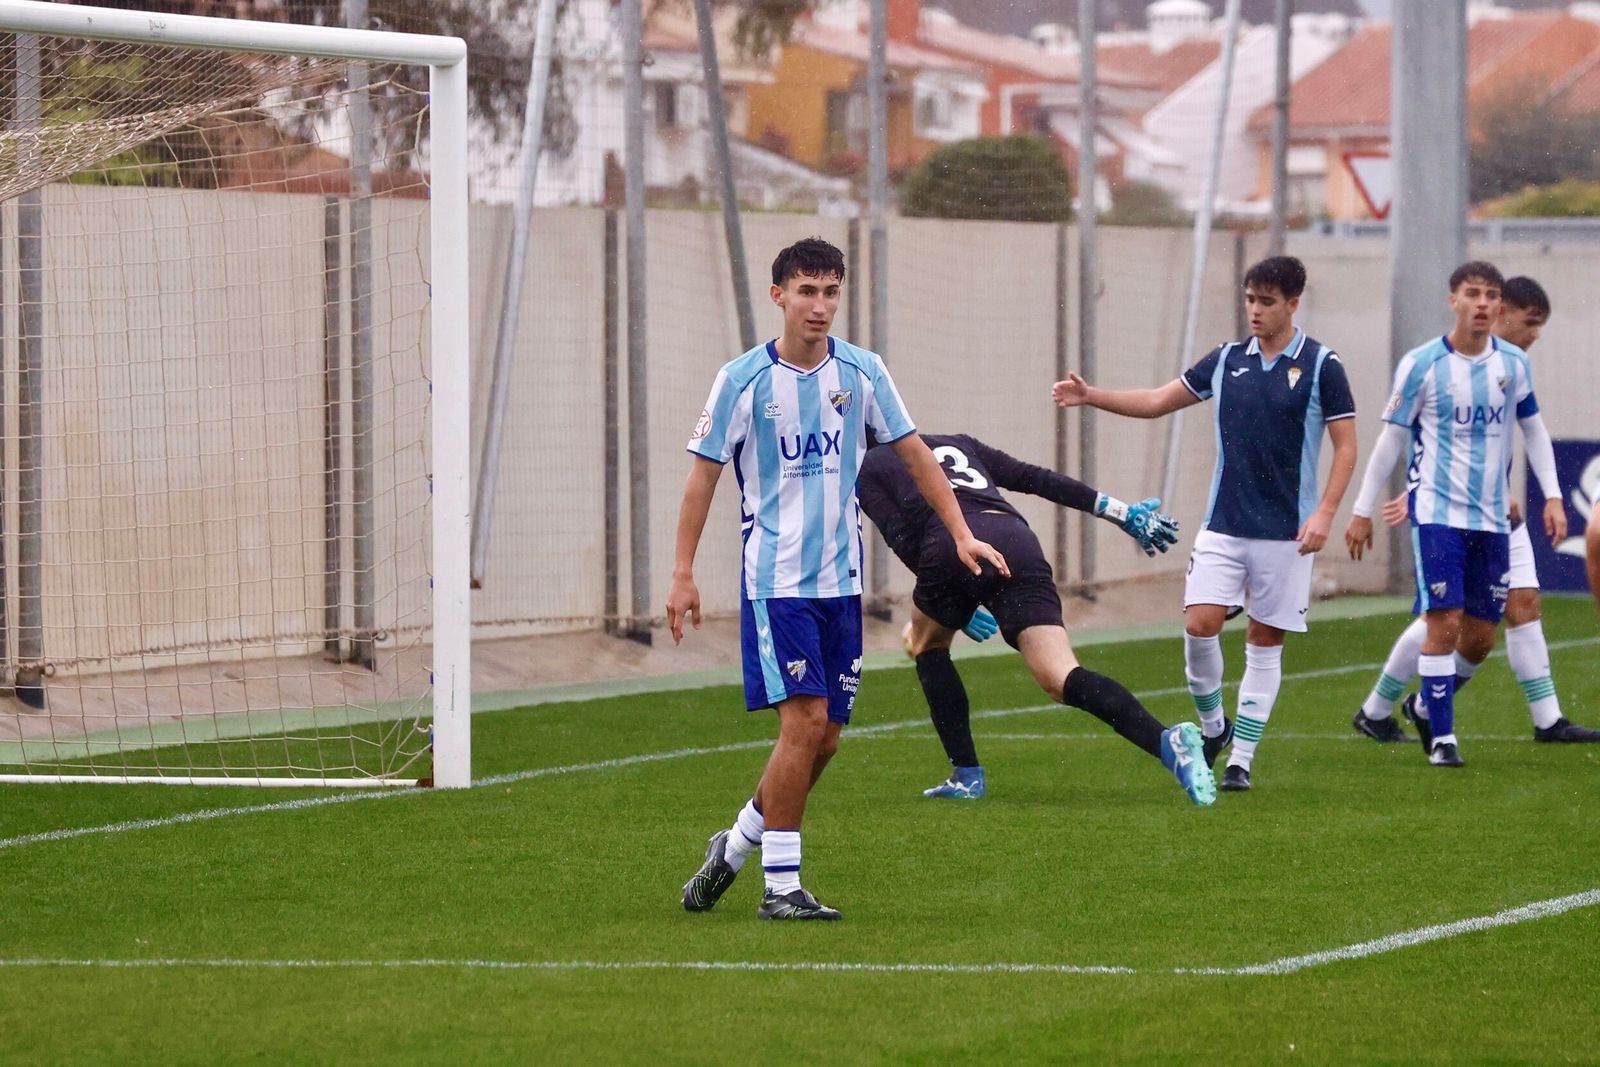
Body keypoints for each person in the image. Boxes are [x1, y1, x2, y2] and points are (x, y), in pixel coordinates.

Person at [670, 237, 1008, 922]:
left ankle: (734, 845)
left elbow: (914, 454)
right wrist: (682, 574)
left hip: (839, 584)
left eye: (830, 292)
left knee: (824, 738)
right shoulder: (740, 380)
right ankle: (782, 885)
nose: (819, 306)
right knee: (806, 723)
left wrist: (964, 532)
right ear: (779, 297)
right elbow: (702, 479)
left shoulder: (862, 371)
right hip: (776, 583)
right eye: (806, 291)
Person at [1053, 256, 1357, 792]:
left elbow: (1346, 447)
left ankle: (1241, 758)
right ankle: (1215, 727)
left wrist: (1325, 513)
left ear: (1292, 303)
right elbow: (1156, 401)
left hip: (1287, 534)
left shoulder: (1321, 365)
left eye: (1266, 301)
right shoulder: (1226, 360)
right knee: (1199, 625)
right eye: (1249, 299)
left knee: (1265, 641)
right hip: (1224, 526)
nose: (1255, 310)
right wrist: (1090, 395)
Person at [856, 432, 1215, 805]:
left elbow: (901, 537)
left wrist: (953, 604)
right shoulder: (956, 442)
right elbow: (1035, 478)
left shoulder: (864, 464)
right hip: (1015, 539)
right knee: (1060, 677)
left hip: (950, 546)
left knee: (927, 643)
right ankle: (1165, 741)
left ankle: (967, 775)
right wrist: (1119, 512)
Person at [1351, 276, 1598, 744]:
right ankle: (1379, 709)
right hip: (1453, 511)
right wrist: (1414, 493)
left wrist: (1546, 495)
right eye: (1531, 323)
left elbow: (1524, 432)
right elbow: (1417, 438)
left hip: (1497, 512)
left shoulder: (1512, 366)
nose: (1536, 334)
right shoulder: (1433, 362)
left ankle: (1536, 718)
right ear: (1502, 314)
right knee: (1443, 616)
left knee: (1512, 612)